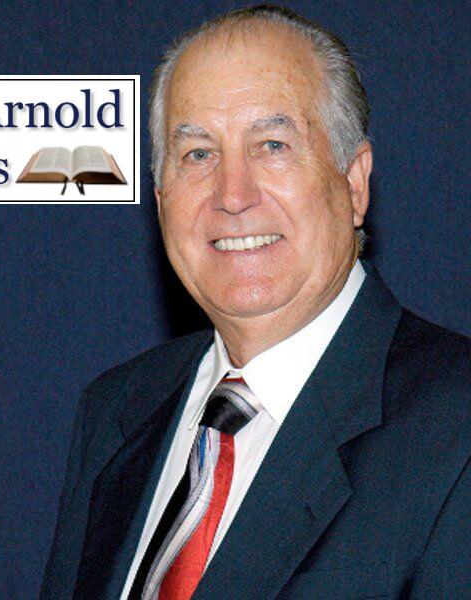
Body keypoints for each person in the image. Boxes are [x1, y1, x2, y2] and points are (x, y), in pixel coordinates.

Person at [41, 5, 471, 599]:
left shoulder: (456, 426)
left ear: (353, 182)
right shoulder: (115, 410)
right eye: (198, 154)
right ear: (161, 200)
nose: (233, 195)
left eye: (272, 144)